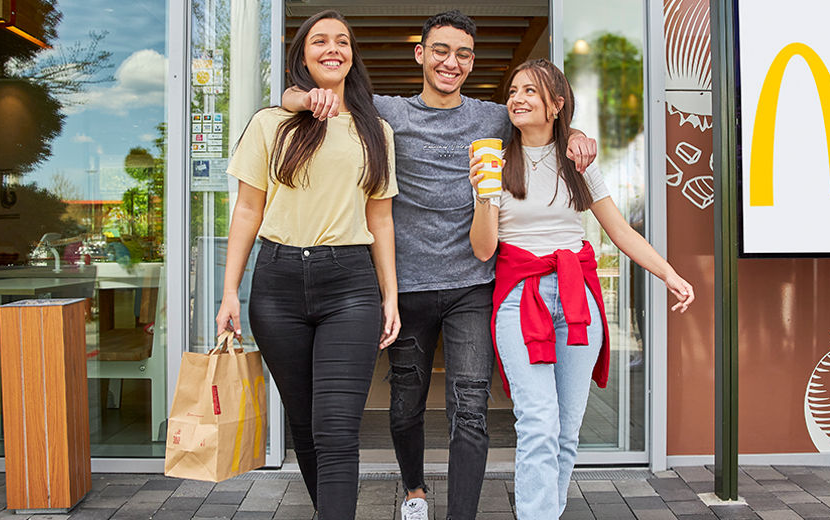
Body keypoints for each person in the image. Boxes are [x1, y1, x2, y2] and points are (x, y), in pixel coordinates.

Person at [282, 10, 597, 520]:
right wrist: (298, 96)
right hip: (406, 285)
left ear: (472, 62)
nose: (452, 62)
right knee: (406, 404)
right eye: (442, 51)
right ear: (421, 55)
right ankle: (414, 492)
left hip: (473, 284)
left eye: (464, 54)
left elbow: (541, 118)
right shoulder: (387, 112)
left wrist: (577, 132)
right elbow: (308, 97)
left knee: (470, 408)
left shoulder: (493, 117)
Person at [468, 58, 694, 518]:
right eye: (513, 91)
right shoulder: (492, 160)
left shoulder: (577, 160)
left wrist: (669, 273)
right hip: (519, 299)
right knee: (538, 422)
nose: (517, 98)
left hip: (576, 300)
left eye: (531, 91)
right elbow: (483, 250)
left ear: (556, 104)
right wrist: (484, 198)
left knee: (567, 429)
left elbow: (619, 231)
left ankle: (547, 511)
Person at [215, 10, 400, 519]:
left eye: (342, 41)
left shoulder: (374, 130)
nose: (332, 48)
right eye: (320, 40)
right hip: (276, 286)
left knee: (337, 430)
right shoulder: (269, 123)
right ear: (302, 55)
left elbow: (380, 219)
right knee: (305, 427)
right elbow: (248, 210)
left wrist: (391, 296)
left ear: (352, 57)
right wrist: (230, 292)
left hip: (350, 285)